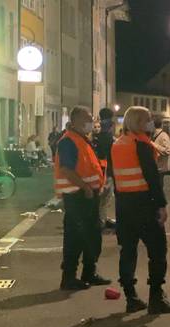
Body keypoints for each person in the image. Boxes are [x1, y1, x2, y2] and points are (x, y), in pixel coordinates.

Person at [110, 106, 170, 314]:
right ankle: (156, 297)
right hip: (144, 204)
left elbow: (115, 176)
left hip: (124, 204)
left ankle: (131, 297)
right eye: (148, 119)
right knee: (158, 251)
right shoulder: (141, 145)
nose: (152, 122)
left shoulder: (118, 144)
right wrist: (161, 205)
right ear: (139, 122)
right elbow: (152, 178)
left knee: (128, 251)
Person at [54, 106, 110, 290]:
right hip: (77, 196)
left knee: (92, 236)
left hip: (88, 195)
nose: (91, 122)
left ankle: (89, 272)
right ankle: (69, 277)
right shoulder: (68, 141)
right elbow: (66, 169)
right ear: (76, 120)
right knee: (75, 238)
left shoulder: (82, 140)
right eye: (88, 118)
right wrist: (85, 187)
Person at [96, 108, 117, 229]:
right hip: (107, 171)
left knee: (102, 198)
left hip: (100, 170)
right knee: (105, 198)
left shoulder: (98, 135)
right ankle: (101, 221)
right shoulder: (108, 136)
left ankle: (102, 219)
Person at [151, 117, 170, 187]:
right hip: (156, 164)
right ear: (162, 125)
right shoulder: (154, 135)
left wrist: (154, 145)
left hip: (161, 165)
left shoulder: (163, 135)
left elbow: (167, 150)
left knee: (159, 184)